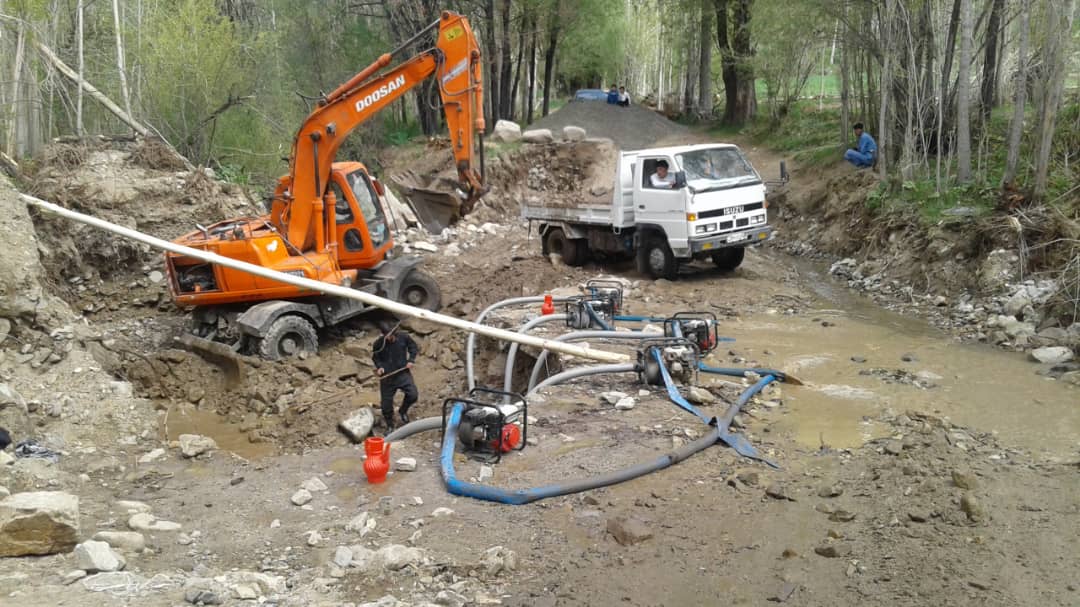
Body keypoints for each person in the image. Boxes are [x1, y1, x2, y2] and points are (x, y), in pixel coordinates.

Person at [371, 321, 419, 433]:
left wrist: (411, 360)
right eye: (387, 335)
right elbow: (376, 358)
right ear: (383, 334)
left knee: (413, 395)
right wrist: (379, 367)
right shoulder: (378, 344)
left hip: (402, 373)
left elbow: (413, 347)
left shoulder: (403, 337)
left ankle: (403, 411)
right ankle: (390, 425)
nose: (390, 338)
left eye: (391, 335)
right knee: (386, 405)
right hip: (387, 377)